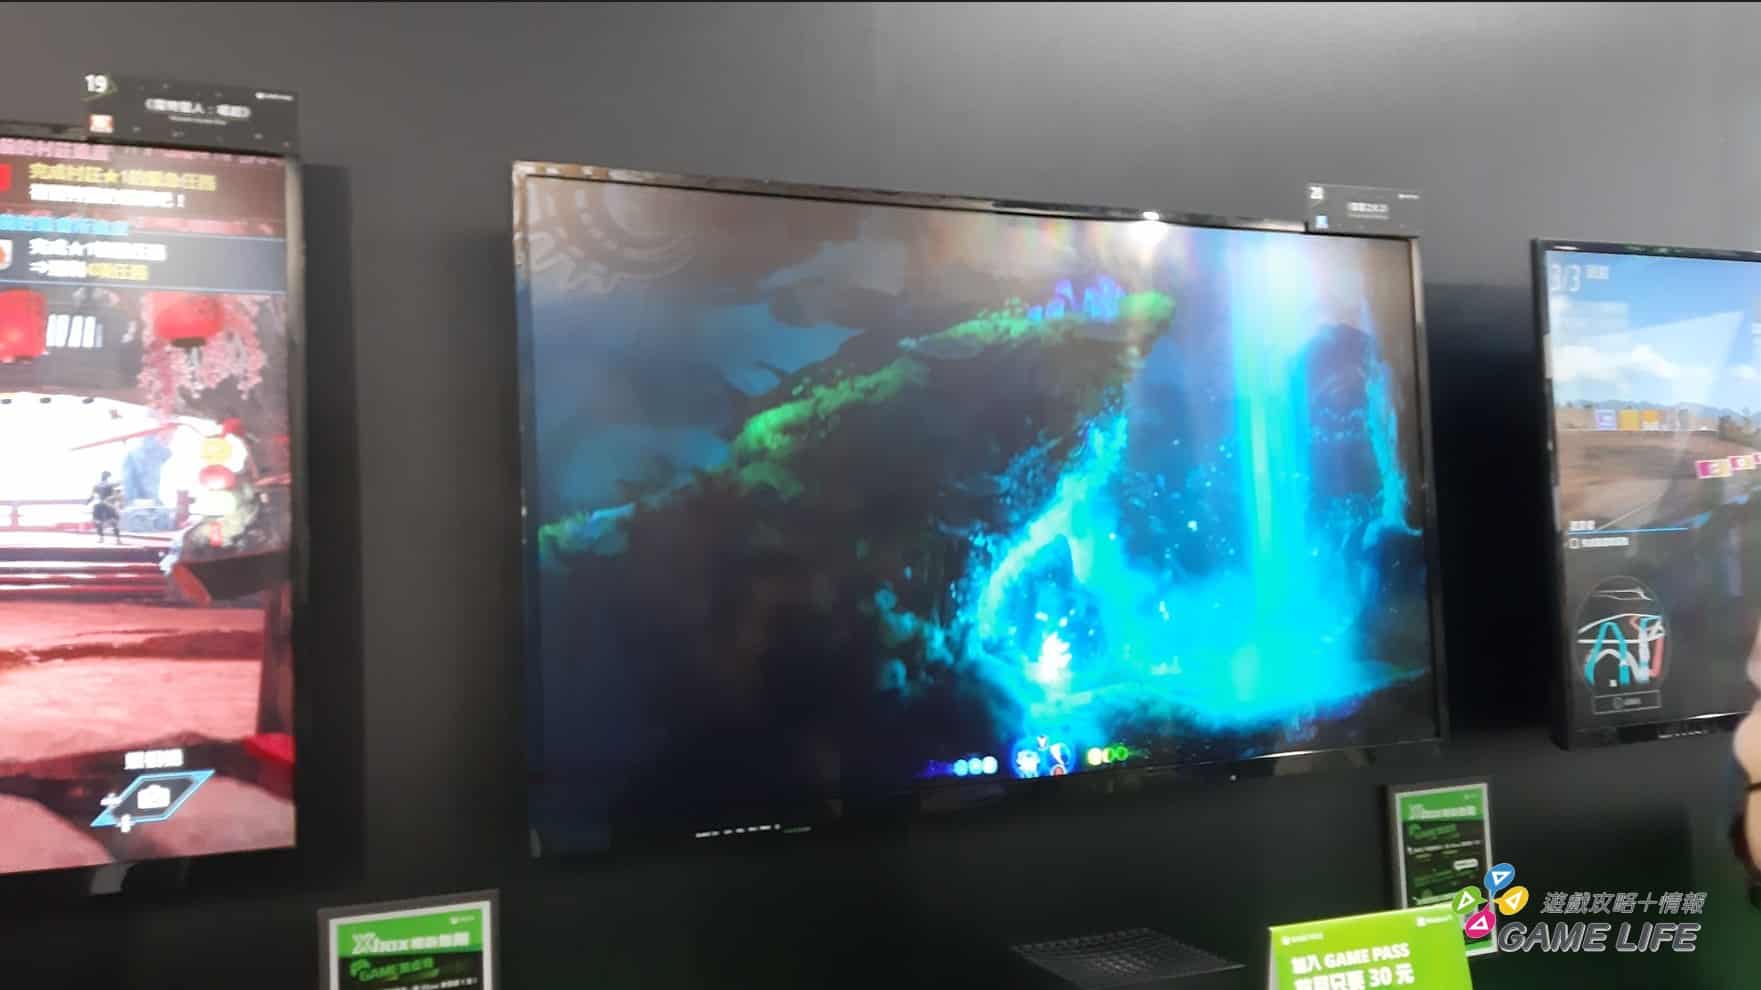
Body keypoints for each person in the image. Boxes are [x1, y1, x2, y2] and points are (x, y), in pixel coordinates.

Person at [90, 470, 122, 544]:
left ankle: (102, 538)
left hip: (100, 504)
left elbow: (91, 496)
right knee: (113, 522)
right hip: (107, 503)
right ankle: (117, 539)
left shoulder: (97, 485)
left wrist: (88, 502)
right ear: (107, 477)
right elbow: (115, 495)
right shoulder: (110, 484)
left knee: (98, 521)